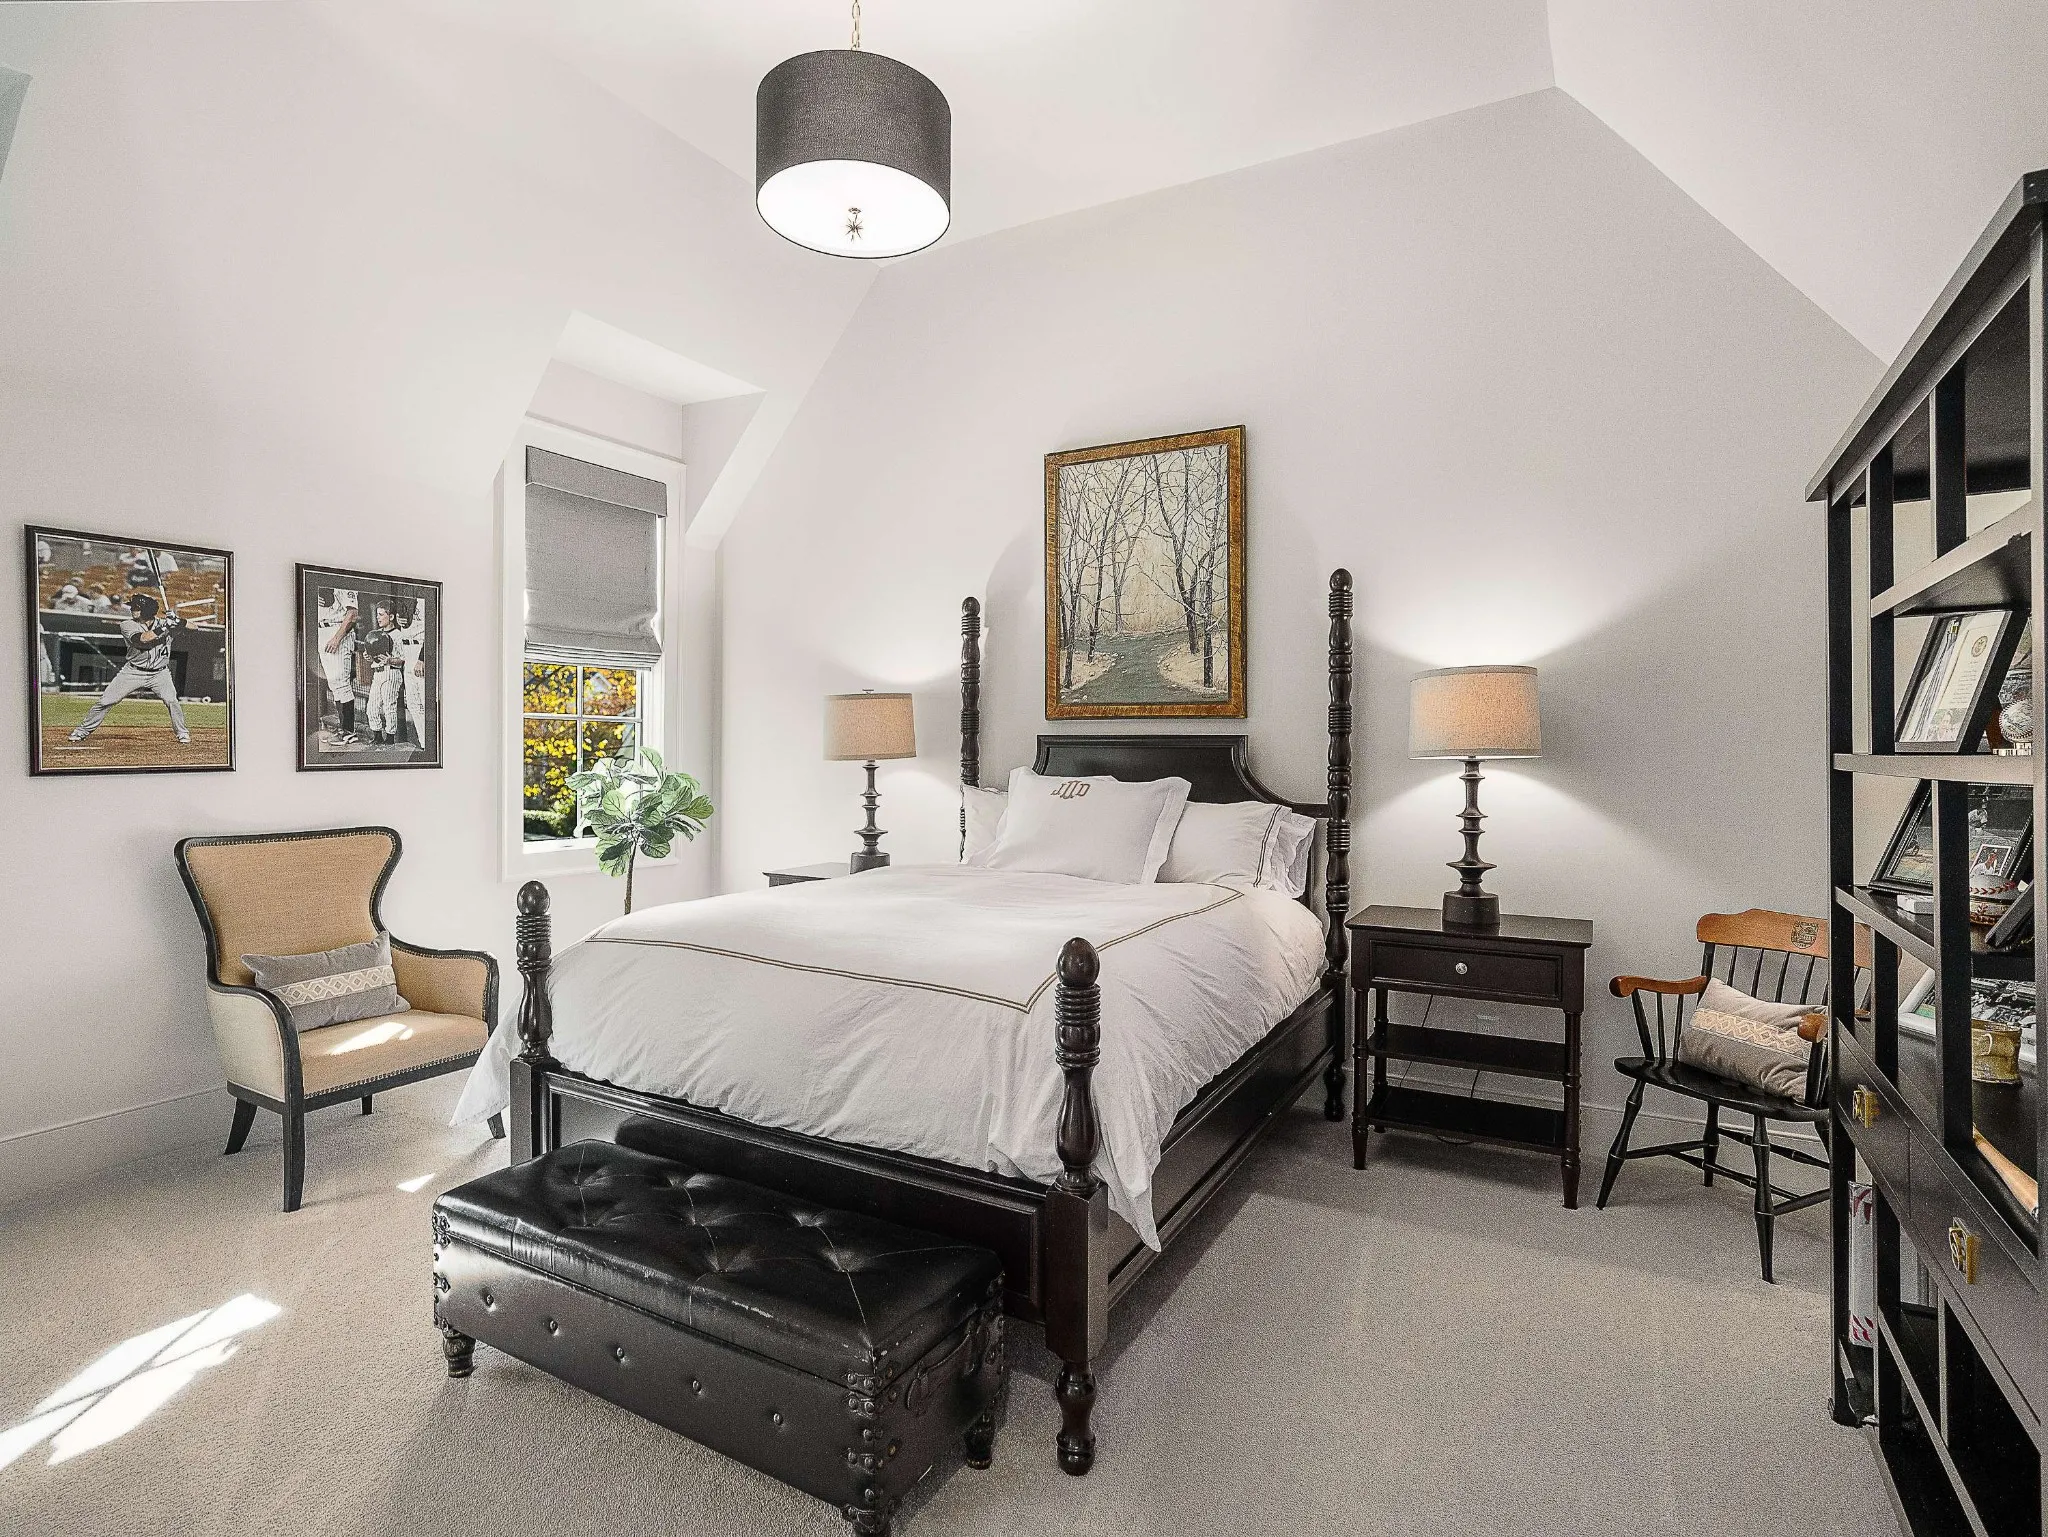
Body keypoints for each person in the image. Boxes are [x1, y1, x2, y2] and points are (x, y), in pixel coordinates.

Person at [67, 593, 189, 746]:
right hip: (133, 672)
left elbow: (195, 627)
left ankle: (182, 733)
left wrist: (179, 621)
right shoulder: (127, 624)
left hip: (160, 673)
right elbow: (142, 639)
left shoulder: (166, 623)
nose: (132, 610)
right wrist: (165, 626)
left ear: (146, 611)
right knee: (106, 701)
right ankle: (82, 731)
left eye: (136, 608)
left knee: (172, 701)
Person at [317, 588, 360, 745]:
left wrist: (336, 639)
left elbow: (353, 614)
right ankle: (343, 730)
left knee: (342, 684)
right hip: (322, 630)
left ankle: (349, 732)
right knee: (334, 684)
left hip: (338, 631)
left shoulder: (343, 583)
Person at [362, 604, 403, 746]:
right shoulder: (376, 634)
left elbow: (403, 659)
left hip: (391, 672)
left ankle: (390, 738)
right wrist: (369, 656)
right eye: (377, 614)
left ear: (391, 616)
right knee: (371, 707)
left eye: (381, 614)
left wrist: (391, 660)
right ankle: (377, 736)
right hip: (378, 672)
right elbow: (372, 655)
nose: (378, 618)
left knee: (389, 707)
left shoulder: (398, 634)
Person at [393, 597, 430, 750]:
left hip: (420, 648)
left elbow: (433, 629)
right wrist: (398, 621)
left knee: (426, 702)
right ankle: (424, 744)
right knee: (413, 704)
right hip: (407, 650)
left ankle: (433, 743)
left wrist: (422, 658)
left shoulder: (426, 599)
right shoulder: (406, 598)